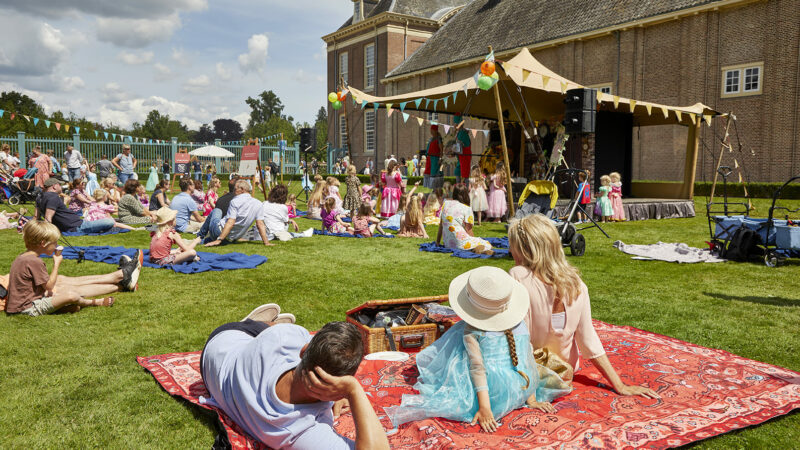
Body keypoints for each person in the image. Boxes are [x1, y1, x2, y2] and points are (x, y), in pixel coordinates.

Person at [385, 266, 571, 430]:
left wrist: (485, 408)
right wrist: (530, 398)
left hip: (490, 394)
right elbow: (525, 359)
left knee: (455, 341)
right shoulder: (520, 325)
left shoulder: (471, 331)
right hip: (519, 385)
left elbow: (477, 368)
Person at [507, 214, 660, 399]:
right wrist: (619, 385)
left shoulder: (517, 276)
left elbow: (519, 339)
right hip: (563, 371)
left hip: (532, 370)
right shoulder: (577, 284)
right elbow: (589, 340)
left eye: (512, 246)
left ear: (523, 250)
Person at [200, 311, 389, 450]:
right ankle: (263, 324)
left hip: (223, 341)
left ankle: (264, 323)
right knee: (274, 330)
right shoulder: (299, 430)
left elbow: (299, 341)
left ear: (303, 351)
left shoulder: (284, 338)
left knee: (278, 330)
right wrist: (353, 391)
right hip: (211, 367)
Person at [5, 220, 142, 316]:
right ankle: (99, 298)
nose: (56, 245)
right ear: (43, 243)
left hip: (24, 302)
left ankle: (120, 279)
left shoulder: (23, 257)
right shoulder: (34, 261)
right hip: (28, 307)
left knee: (62, 280)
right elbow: (49, 286)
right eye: (54, 243)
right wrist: (57, 263)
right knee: (68, 292)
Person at [34, 178, 114, 234]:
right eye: (59, 185)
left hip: (75, 223)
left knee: (107, 220)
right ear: (54, 186)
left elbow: (35, 217)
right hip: (77, 226)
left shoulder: (39, 197)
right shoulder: (53, 197)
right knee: (110, 222)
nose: (61, 186)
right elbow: (48, 219)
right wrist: (47, 234)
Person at [204, 179, 270, 247]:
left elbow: (231, 222)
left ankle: (200, 235)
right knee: (210, 237)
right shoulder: (258, 203)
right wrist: (266, 242)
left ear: (242, 189)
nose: (233, 191)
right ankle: (200, 239)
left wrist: (219, 240)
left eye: (235, 189)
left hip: (219, 231)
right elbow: (260, 224)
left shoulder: (235, 201)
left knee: (217, 210)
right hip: (232, 238)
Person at [437, 183, 493, 255]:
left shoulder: (445, 204)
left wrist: (437, 242)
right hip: (460, 243)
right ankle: (478, 249)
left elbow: (441, 226)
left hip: (447, 244)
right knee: (487, 243)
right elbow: (468, 230)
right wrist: (473, 242)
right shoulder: (467, 208)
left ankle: (477, 249)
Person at [196, 177, 237, 243]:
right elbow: (211, 202)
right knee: (216, 211)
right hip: (209, 210)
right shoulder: (210, 192)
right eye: (219, 182)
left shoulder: (220, 197)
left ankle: (200, 236)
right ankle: (200, 236)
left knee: (215, 212)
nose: (220, 183)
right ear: (215, 184)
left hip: (219, 227)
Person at [453, 116, 472, 182]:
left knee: (465, 175)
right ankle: (458, 187)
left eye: (455, 123)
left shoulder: (462, 133)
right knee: (457, 172)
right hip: (461, 157)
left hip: (465, 157)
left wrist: (450, 151)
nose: (453, 125)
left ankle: (465, 189)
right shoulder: (459, 132)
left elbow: (457, 148)